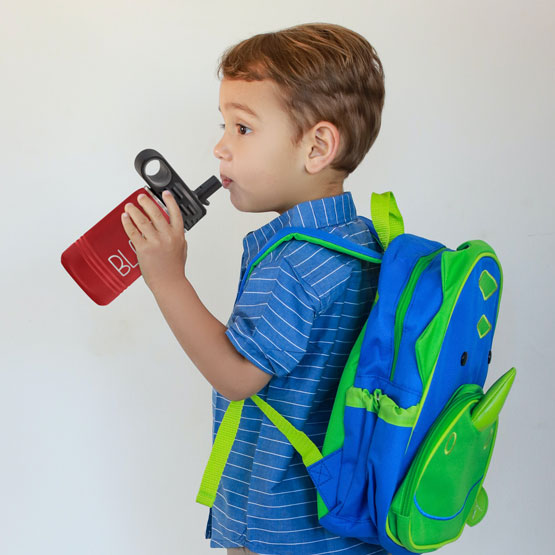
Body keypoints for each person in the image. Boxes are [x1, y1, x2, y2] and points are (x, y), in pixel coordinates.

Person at [121, 22, 387, 555]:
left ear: (317, 146)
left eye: (242, 128)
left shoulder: (293, 262)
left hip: (280, 527)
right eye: (223, 125)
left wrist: (167, 279)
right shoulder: (358, 239)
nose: (220, 148)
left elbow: (239, 375)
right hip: (341, 520)